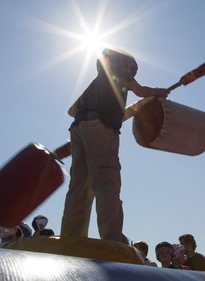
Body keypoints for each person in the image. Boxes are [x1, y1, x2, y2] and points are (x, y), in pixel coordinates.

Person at [60, 48, 169, 243]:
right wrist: (158, 93)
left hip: (78, 128)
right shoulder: (121, 73)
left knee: (80, 186)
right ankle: (112, 239)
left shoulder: (97, 83)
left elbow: (72, 111)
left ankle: (71, 237)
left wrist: (133, 107)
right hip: (100, 128)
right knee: (106, 182)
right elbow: (140, 90)